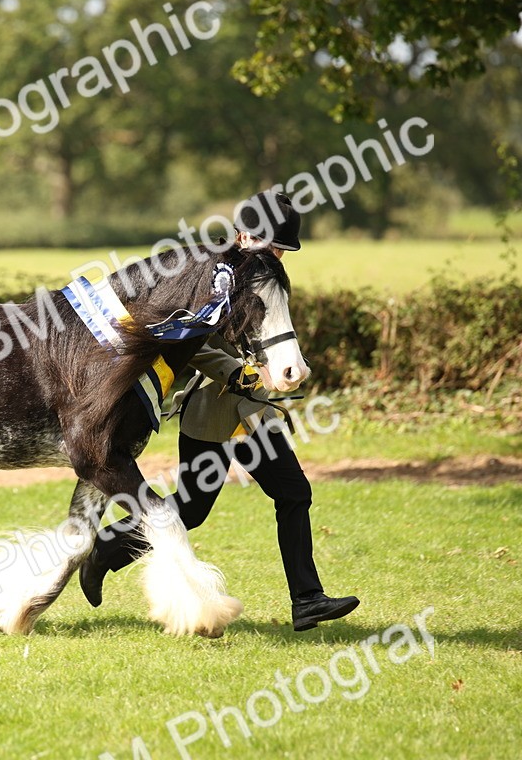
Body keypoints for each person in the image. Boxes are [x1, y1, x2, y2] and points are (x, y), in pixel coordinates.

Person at [78, 191, 359, 631]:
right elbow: (191, 342)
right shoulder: (210, 276)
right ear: (244, 236)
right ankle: (108, 548)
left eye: (283, 249)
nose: (279, 256)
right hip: (212, 409)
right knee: (191, 510)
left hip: (253, 416)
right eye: (273, 246)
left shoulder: (264, 277)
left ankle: (307, 600)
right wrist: (237, 373)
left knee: (294, 493)